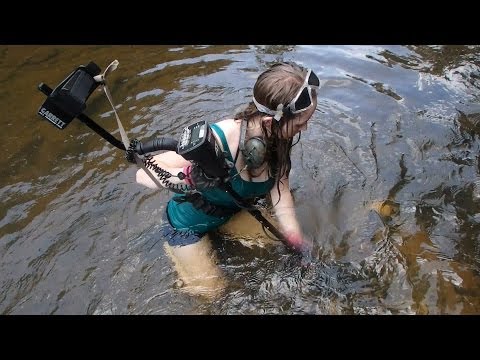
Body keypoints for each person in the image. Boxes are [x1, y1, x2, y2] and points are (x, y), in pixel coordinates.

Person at [136, 62, 319, 297]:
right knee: (214, 293)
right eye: (301, 123)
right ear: (268, 122)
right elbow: (143, 174)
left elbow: (280, 194)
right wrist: (188, 178)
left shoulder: (279, 140)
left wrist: (295, 238)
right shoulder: (219, 139)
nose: (305, 128)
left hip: (229, 214)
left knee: (281, 245)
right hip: (187, 227)